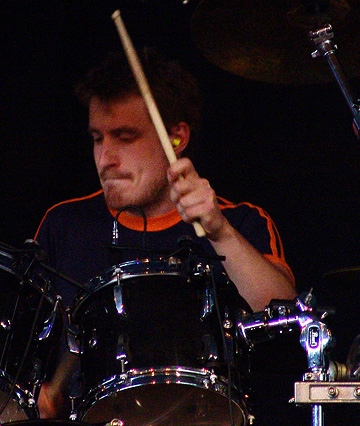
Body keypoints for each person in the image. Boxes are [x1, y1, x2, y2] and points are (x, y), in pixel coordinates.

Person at [34, 48, 298, 419]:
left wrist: (219, 232)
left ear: (176, 138)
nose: (105, 158)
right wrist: (37, 393)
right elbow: (20, 355)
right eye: (97, 138)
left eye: (125, 137)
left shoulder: (239, 222)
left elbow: (285, 322)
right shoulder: (63, 225)